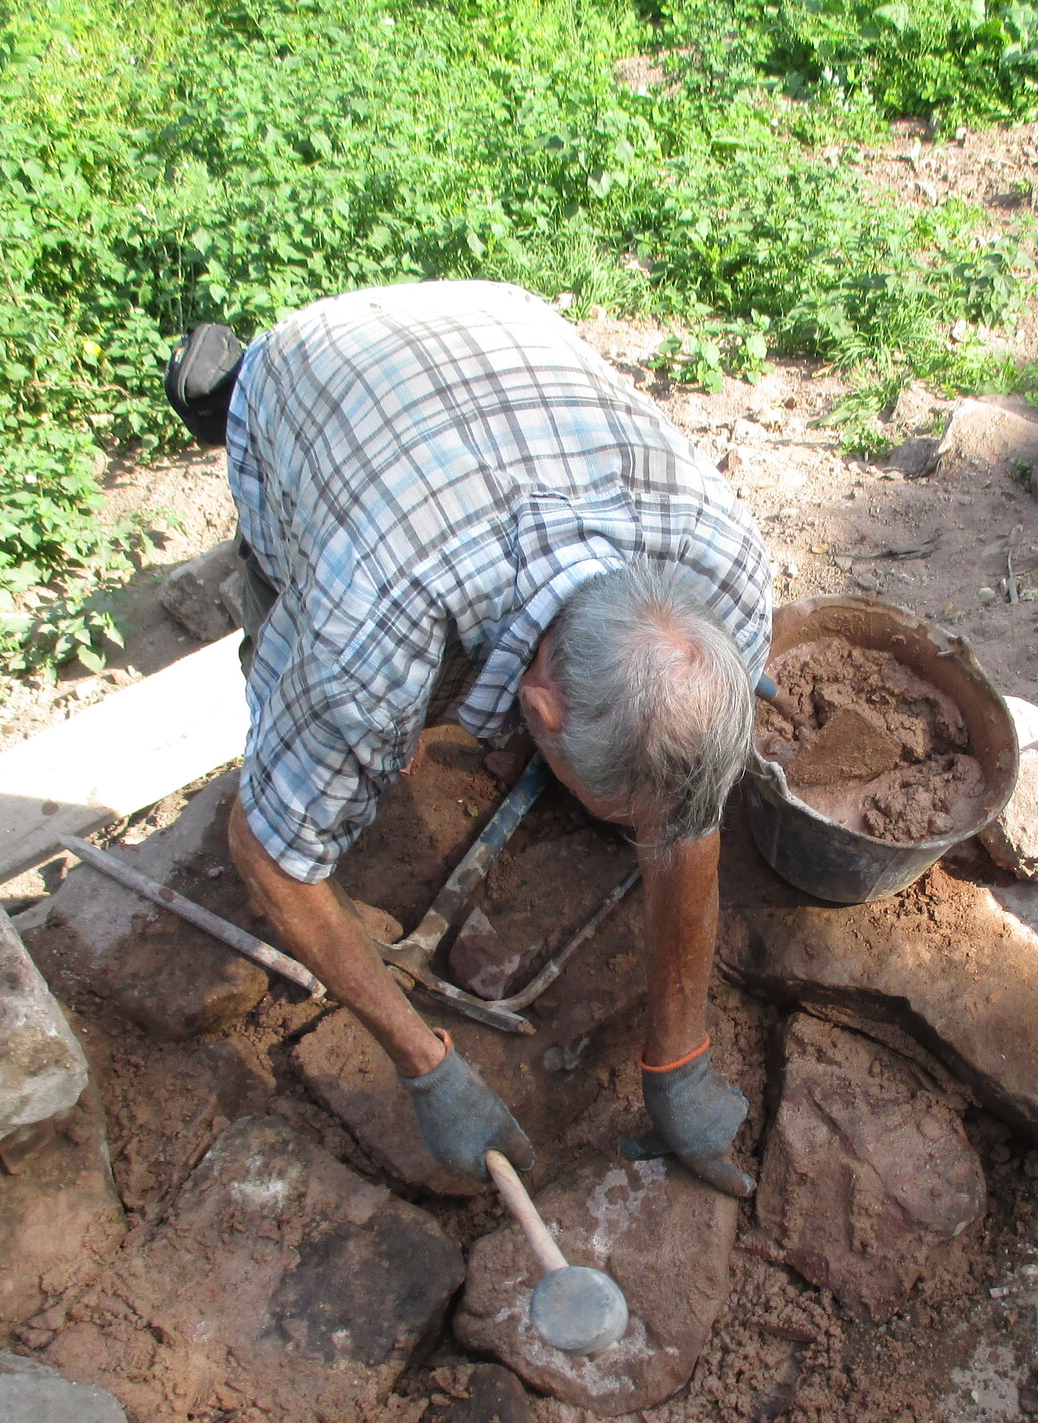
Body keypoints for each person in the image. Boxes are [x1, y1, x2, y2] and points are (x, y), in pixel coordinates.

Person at [164, 280, 771, 1197]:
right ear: (541, 712)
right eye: (621, 811)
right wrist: (425, 1066)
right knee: (293, 648)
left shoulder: (727, 572)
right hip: (320, 376)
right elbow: (267, 851)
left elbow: (686, 815)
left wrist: (678, 1059)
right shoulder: (367, 642)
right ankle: (224, 382)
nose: (643, 833)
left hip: (498, 334)